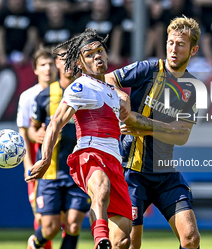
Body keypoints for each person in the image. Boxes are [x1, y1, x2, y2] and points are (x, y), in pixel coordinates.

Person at [26, 28, 133, 249]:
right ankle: (99, 240)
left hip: (114, 159)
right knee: (100, 189)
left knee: (123, 239)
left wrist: (125, 104)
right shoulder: (80, 86)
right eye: (89, 54)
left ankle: (108, 241)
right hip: (90, 154)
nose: (97, 56)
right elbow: (55, 122)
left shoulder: (112, 92)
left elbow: (121, 116)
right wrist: (45, 159)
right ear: (81, 63)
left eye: (100, 51)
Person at [106, 15, 201, 249]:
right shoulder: (148, 69)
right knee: (125, 243)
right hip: (132, 171)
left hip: (165, 174)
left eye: (181, 44)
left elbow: (182, 136)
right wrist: (122, 96)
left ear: (193, 50)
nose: (173, 49)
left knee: (190, 238)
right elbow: (108, 78)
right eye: (170, 42)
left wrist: (143, 124)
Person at [26, 45, 91, 249]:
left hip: (78, 172)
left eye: (73, 59)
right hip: (50, 172)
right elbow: (32, 129)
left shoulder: (89, 94)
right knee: (51, 229)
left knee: (73, 224)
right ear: (57, 64)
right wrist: (36, 134)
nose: (69, 63)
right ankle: (35, 243)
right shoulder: (45, 96)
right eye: (64, 59)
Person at [17, 47, 58, 249]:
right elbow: (25, 133)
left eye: (51, 64)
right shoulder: (28, 97)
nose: (48, 68)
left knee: (70, 217)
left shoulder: (68, 94)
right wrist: (27, 165)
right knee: (42, 214)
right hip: (38, 159)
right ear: (35, 69)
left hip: (64, 160)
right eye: (43, 64)